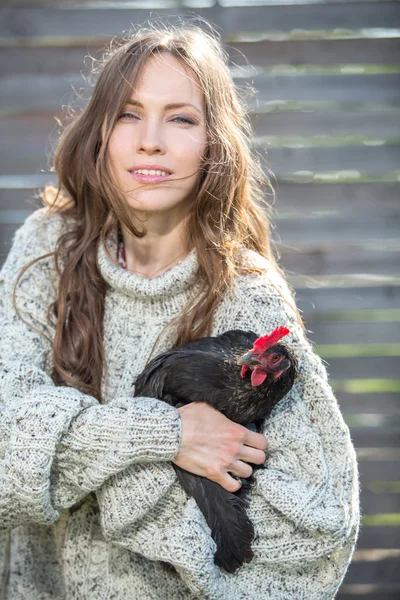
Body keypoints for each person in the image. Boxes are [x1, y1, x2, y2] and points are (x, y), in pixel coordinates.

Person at [0, 19, 359, 600]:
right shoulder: (49, 248)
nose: (151, 140)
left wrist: (93, 473)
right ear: (99, 135)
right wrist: (165, 434)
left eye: (182, 118)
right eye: (128, 113)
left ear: (214, 144)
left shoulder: (246, 300)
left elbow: (316, 528)